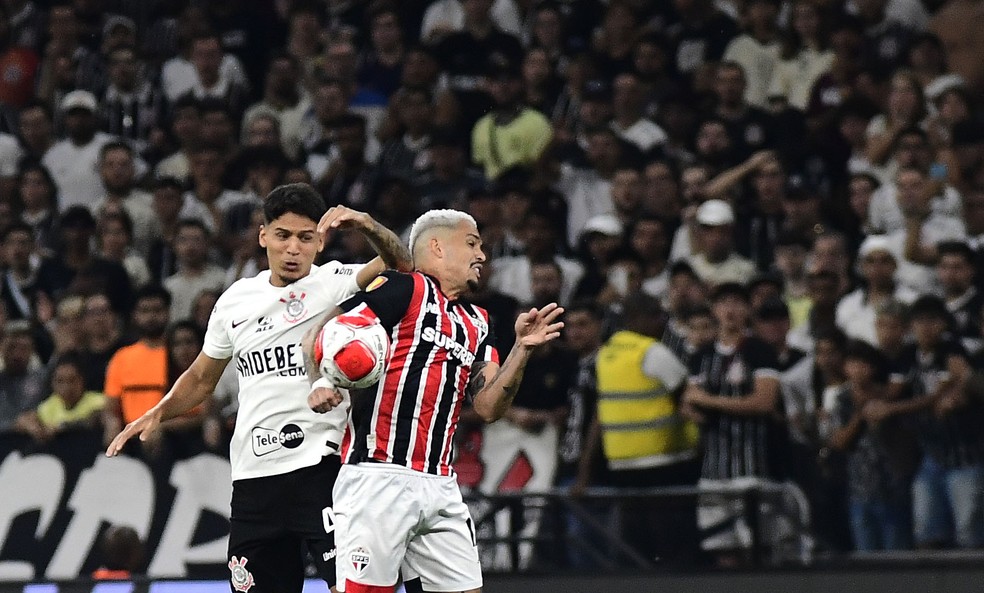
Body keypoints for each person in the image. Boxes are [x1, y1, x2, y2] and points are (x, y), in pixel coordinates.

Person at [105, 183, 411, 593]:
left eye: (305, 238)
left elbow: (402, 265)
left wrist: (367, 224)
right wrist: (159, 411)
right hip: (253, 482)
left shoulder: (336, 281)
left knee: (355, 589)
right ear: (263, 235)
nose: (293, 249)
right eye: (283, 235)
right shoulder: (235, 301)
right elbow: (201, 378)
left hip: (324, 473)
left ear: (320, 241)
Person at [302, 209, 565, 593]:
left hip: (441, 484)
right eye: (472, 244)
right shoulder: (402, 288)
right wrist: (320, 381)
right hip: (378, 477)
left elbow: (490, 407)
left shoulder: (480, 322)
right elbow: (319, 333)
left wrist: (521, 350)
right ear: (438, 247)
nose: (482, 256)